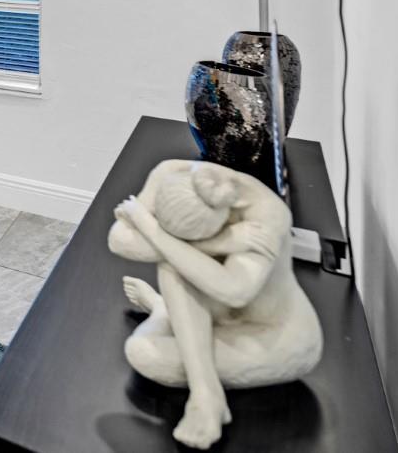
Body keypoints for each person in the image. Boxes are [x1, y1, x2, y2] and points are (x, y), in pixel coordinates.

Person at [108, 159, 322, 450]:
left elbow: (235, 291)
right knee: (176, 264)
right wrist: (217, 243)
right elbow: (119, 240)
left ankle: (200, 383)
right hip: (219, 314)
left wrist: (147, 224)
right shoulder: (169, 174)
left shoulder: (266, 216)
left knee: (142, 351)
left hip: (275, 336)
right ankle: (205, 389)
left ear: (223, 216)